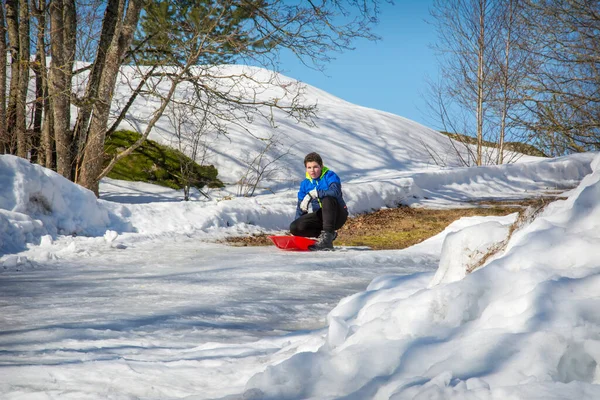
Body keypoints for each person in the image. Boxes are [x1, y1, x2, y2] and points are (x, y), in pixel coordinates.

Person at [289, 152, 348, 251]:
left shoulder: (330, 176)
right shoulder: (305, 184)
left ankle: (327, 239)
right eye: (309, 167)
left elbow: (335, 192)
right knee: (295, 227)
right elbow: (300, 208)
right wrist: (296, 233)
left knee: (327, 198)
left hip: (337, 215)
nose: (312, 171)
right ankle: (328, 235)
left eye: (315, 167)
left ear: (321, 166)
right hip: (321, 217)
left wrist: (316, 193)